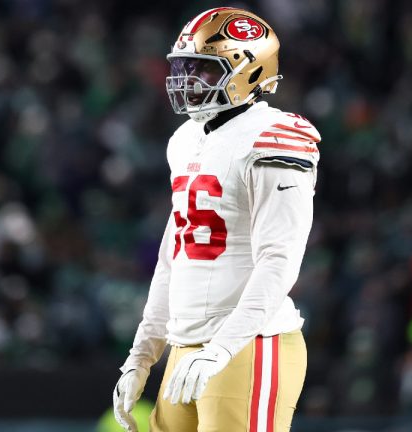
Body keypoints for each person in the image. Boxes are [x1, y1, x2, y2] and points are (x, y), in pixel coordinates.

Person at [113, 7, 320, 432]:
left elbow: (279, 261)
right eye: (184, 67)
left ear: (248, 70)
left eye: (203, 69)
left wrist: (222, 349)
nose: (187, 80)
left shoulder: (273, 136)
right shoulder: (186, 139)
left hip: (248, 345)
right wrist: (142, 355)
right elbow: (174, 258)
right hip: (186, 347)